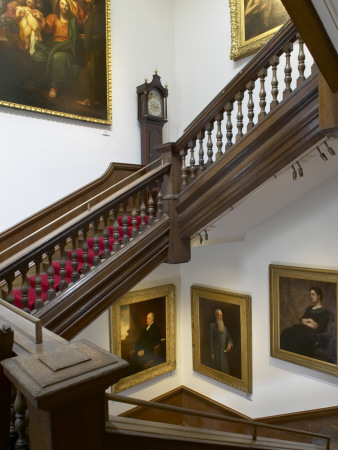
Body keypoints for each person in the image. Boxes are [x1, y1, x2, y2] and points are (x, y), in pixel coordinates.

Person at [32, 0, 80, 98]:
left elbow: (74, 40)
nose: (65, 7)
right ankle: (41, 79)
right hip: (53, 45)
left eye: (67, 5)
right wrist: (41, 19)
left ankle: (54, 87)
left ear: (70, 7)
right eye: (62, 4)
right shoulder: (53, 17)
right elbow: (47, 30)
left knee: (57, 57)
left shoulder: (73, 20)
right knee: (37, 55)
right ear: (58, 5)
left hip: (67, 47)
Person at [280, 287, 330, 358]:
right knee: (287, 332)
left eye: (313, 294)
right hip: (302, 329)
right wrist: (310, 320)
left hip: (313, 333)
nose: (311, 296)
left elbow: (316, 327)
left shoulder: (324, 312)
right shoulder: (309, 309)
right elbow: (302, 320)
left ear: (319, 296)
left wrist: (306, 322)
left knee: (301, 338)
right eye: (310, 294)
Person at [209, 308, 233, 374]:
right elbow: (210, 340)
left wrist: (229, 344)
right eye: (218, 315)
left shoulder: (225, 327)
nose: (220, 317)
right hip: (216, 355)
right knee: (217, 374)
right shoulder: (212, 326)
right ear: (215, 316)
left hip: (223, 354)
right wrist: (212, 353)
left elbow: (230, 338)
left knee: (225, 373)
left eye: (221, 315)